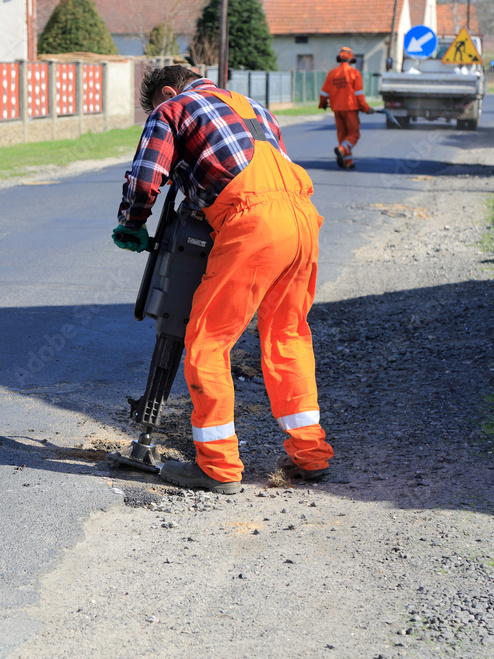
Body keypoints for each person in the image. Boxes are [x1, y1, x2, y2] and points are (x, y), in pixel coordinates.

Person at [112, 65, 335, 494]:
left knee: (208, 342)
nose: (158, 110)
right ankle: (310, 455)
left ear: (167, 90)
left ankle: (218, 466)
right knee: (287, 337)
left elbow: (145, 179)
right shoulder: (255, 108)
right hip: (304, 220)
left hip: (253, 221)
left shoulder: (173, 108)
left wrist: (133, 221)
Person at [319, 47, 372, 169]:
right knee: (354, 134)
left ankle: (348, 162)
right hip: (350, 108)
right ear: (352, 59)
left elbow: (323, 94)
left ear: (339, 58)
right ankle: (341, 149)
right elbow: (359, 95)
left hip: (337, 109)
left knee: (343, 135)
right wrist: (366, 108)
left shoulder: (332, 73)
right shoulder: (355, 73)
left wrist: (322, 104)